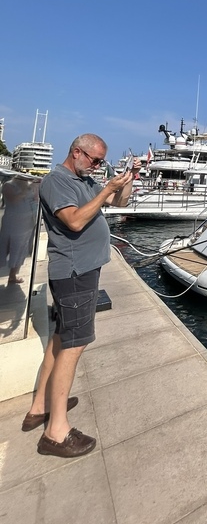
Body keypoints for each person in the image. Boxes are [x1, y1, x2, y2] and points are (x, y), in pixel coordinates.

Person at [21, 134, 140, 458]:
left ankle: (39, 407)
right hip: (75, 275)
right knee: (74, 345)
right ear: (76, 152)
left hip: (81, 272)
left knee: (61, 340)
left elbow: (120, 204)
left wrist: (126, 181)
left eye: (102, 161)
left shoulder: (82, 178)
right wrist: (105, 189)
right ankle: (55, 432)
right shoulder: (56, 182)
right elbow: (74, 221)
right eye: (95, 160)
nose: (98, 166)